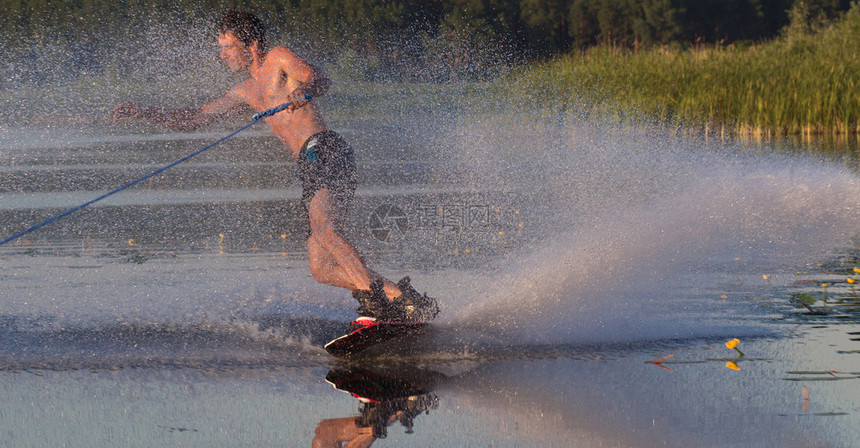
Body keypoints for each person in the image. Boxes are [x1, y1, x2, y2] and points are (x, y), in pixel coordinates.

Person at [112, 9, 437, 326]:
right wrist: (144, 112)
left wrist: (303, 90)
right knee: (321, 266)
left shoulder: (279, 58)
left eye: (228, 46)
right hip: (307, 164)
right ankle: (405, 301)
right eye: (221, 48)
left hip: (324, 149)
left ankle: (376, 305)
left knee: (326, 230)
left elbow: (321, 79)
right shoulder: (246, 90)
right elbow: (194, 119)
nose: (223, 55)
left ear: (251, 45)